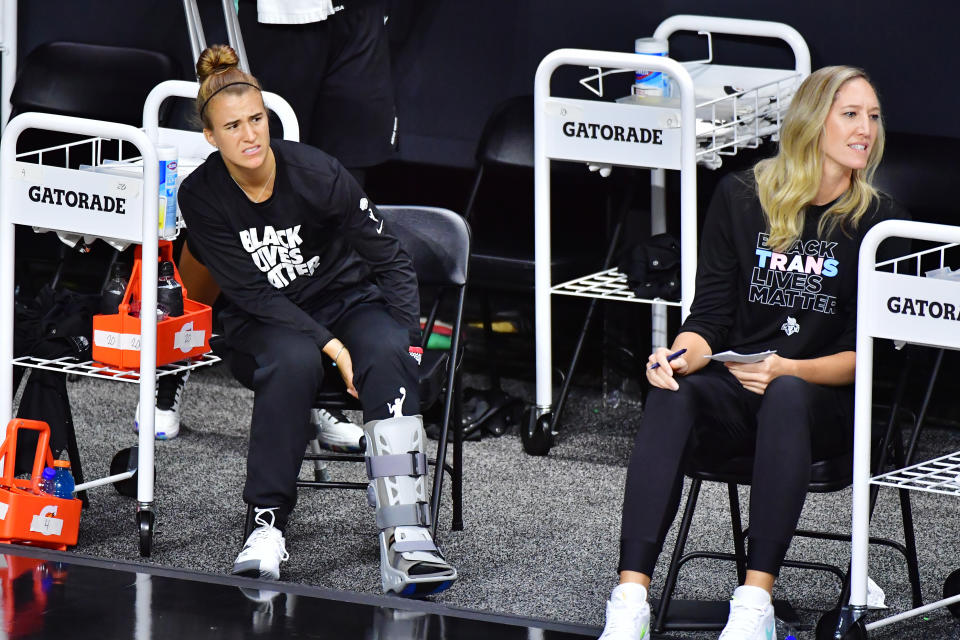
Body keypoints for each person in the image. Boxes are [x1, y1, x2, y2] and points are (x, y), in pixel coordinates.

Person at [598, 66, 909, 640]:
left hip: (823, 403)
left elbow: (866, 358)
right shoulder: (743, 197)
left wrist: (787, 368)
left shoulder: (878, 222)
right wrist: (680, 355)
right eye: (851, 114)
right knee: (673, 389)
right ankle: (630, 600)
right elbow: (709, 317)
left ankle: (754, 606)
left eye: (873, 115)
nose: (866, 128)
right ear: (813, 123)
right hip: (740, 391)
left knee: (787, 393)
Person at [177, 43, 457, 597]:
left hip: (346, 300)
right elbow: (252, 293)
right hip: (262, 320)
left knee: (384, 347)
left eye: (256, 119)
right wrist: (332, 347)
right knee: (292, 356)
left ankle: (405, 534)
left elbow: (389, 259)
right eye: (232, 126)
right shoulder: (201, 195)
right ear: (211, 137)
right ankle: (265, 526)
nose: (249, 135)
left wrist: (409, 344)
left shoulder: (318, 172)